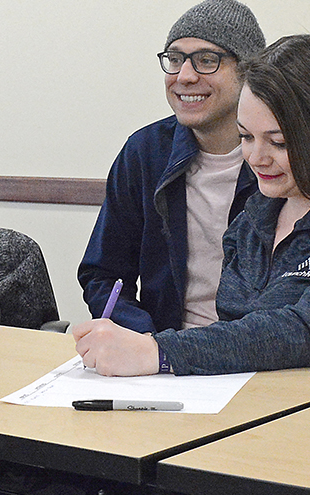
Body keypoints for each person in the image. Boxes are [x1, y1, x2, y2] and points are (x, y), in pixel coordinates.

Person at [71, 34, 310, 376]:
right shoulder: (258, 214)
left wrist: (158, 352)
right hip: (277, 411)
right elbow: (241, 330)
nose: (256, 157)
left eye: (279, 142)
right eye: (246, 137)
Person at [77, 0, 264, 334]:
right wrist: (142, 335)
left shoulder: (280, 159)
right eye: (175, 60)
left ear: (247, 71)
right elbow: (102, 274)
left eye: (207, 61)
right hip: (162, 353)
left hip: (255, 352)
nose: (185, 77)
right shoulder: (146, 152)